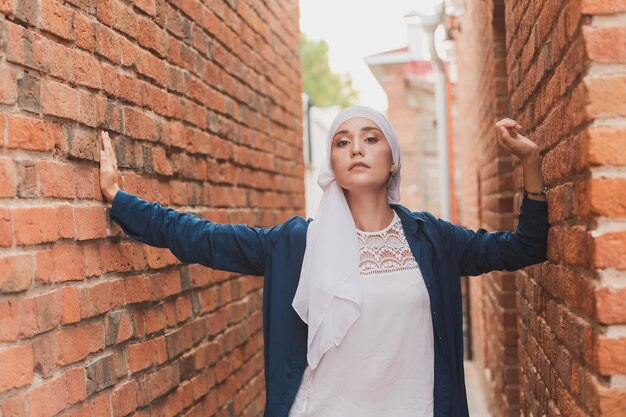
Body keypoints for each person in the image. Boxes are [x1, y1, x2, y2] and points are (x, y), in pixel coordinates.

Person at [99, 106, 549, 417]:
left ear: (392, 161)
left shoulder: (432, 239)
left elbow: (522, 248)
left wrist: (529, 163)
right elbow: (205, 240)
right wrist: (122, 201)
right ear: (331, 163)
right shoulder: (298, 243)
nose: (356, 149)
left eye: (370, 139)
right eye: (342, 141)